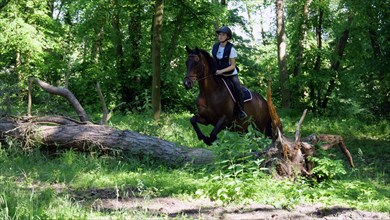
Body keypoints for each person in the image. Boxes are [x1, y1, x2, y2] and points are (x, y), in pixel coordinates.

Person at [211, 26, 247, 119]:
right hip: (218, 73)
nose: (220, 36)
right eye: (219, 34)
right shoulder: (215, 47)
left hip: (230, 74)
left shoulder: (231, 49)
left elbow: (232, 65)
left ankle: (241, 111)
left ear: (228, 37)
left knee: (238, 89)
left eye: (223, 34)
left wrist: (221, 71)